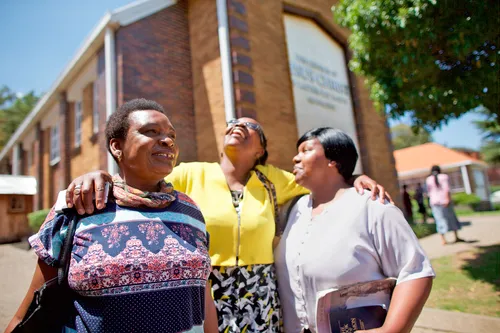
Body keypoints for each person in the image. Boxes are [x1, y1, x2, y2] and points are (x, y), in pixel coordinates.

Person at [63, 117, 392, 333]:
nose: (238, 125)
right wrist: (99, 175)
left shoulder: (273, 180)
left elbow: (323, 176)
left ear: (261, 149)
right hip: (206, 287)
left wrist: (356, 176)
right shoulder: (191, 173)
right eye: (233, 122)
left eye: (249, 127)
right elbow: (136, 177)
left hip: (260, 289)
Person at [5, 99, 218, 333]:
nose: (167, 141)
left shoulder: (191, 210)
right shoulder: (80, 206)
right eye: (150, 132)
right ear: (117, 146)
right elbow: (29, 311)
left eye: (171, 136)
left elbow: (202, 295)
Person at [275, 127, 435, 333]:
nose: (295, 159)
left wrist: (391, 330)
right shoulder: (293, 209)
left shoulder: (372, 206)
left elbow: (415, 272)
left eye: (306, 150)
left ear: (333, 160)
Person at [426, 165, 464, 245]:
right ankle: (456, 236)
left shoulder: (428, 179)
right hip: (444, 201)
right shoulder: (444, 177)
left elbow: (429, 193)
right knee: (451, 218)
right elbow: (447, 189)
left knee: (439, 220)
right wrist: (447, 199)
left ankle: (443, 240)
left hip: (434, 202)